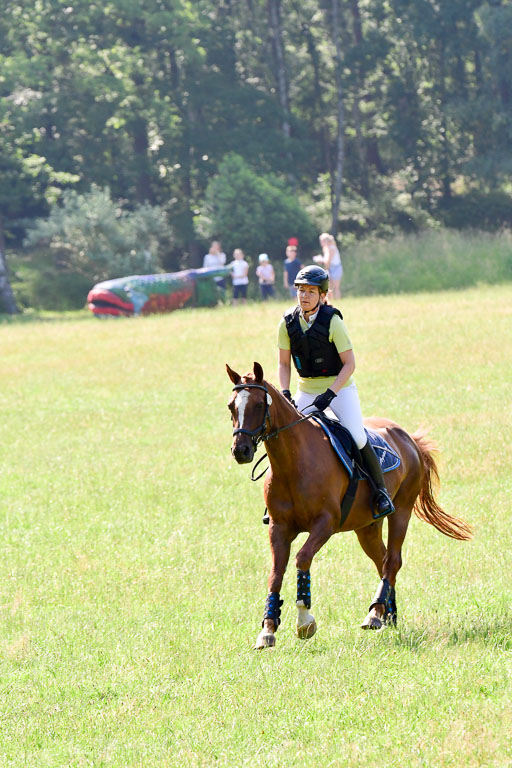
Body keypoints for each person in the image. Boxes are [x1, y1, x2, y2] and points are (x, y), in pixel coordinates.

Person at [277, 264, 394, 518]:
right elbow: (284, 363)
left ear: (322, 295)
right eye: (300, 290)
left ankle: (380, 492)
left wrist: (330, 394)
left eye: (310, 291)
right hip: (306, 391)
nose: (304, 296)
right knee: (286, 435)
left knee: (357, 436)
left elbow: (350, 364)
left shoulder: (333, 321)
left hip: (340, 390)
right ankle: (281, 496)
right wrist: (285, 393)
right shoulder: (286, 323)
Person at [313, 233, 342, 299]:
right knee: (329, 287)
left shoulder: (331, 248)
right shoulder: (326, 248)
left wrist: (322, 262)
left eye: (322, 241)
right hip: (330, 267)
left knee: (336, 287)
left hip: (335, 268)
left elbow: (328, 261)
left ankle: (338, 300)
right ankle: (331, 301)